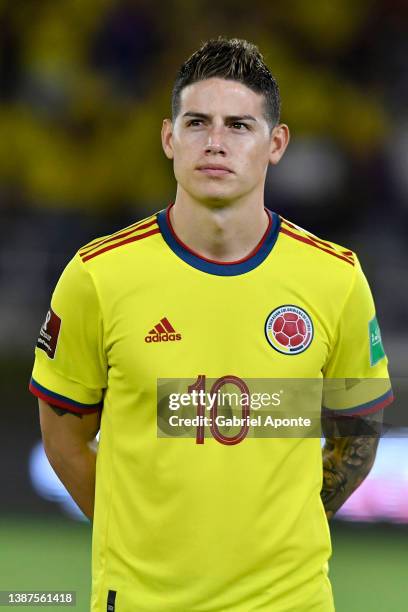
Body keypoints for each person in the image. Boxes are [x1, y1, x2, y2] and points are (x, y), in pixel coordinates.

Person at [29, 38, 393, 612]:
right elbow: (64, 437)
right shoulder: (97, 275)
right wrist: (140, 536)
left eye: (239, 126)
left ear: (276, 144)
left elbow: (359, 434)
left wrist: (283, 526)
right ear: (169, 138)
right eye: (197, 122)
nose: (216, 143)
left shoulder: (336, 278)